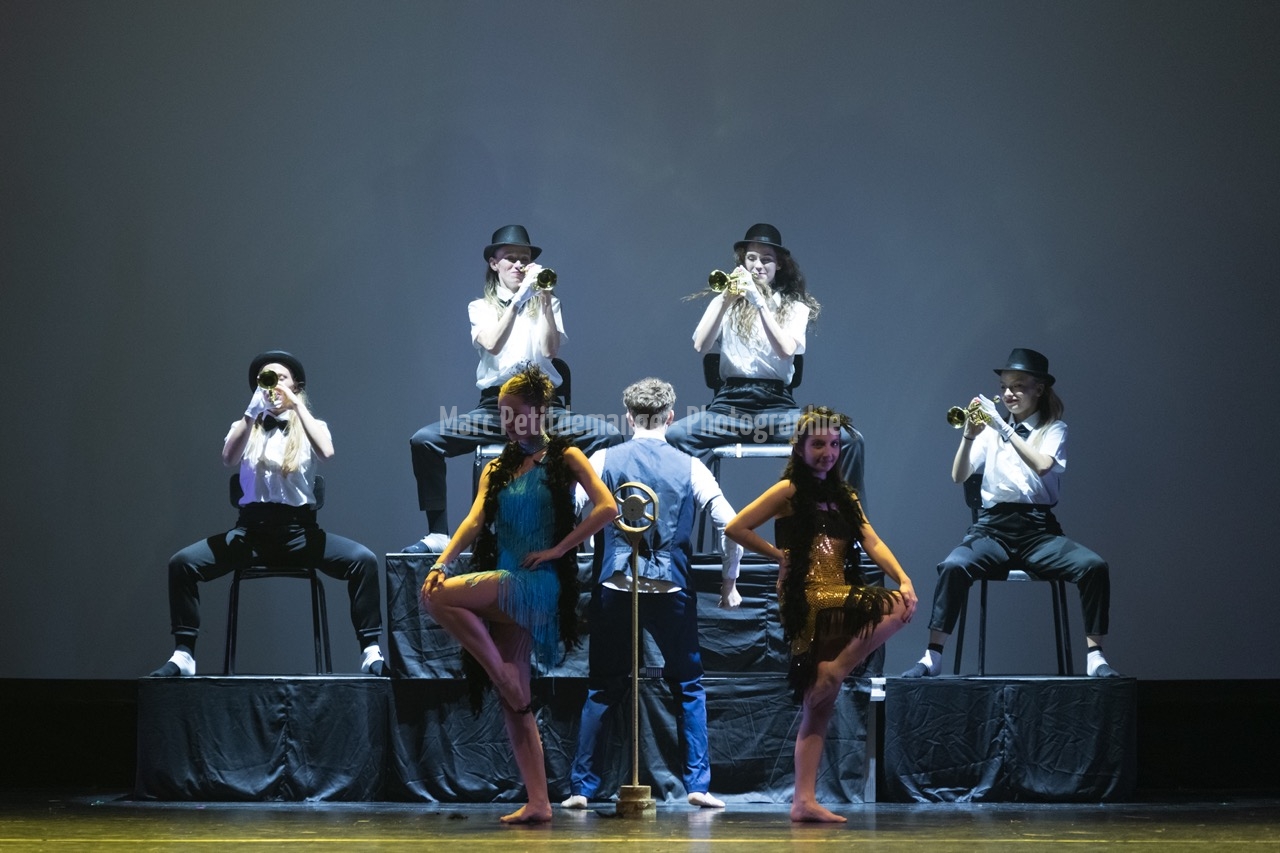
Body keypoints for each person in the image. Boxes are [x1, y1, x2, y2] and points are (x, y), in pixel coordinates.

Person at [419, 365, 616, 824]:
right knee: (516, 702)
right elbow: (474, 521)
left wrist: (559, 549)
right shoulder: (496, 467)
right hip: (506, 576)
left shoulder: (566, 457)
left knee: (438, 599)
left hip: (536, 582)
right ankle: (540, 802)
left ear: (540, 412)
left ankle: (499, 674)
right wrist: (441, 561)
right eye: (503, 414)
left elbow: (607, 507)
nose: (507, 423)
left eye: (515, 414)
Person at [726, 406, 917, 823]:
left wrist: (903, 577)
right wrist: (780, 556)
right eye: (818, 444)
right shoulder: (789, 490)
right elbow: (736, 528)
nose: (828, 453)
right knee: (833, 673)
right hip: (806, 595)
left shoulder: (845, 496)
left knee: (822, 702)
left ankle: (803, 801)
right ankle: (838, 668)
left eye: (833, 445)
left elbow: (871, 541)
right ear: (799, 447)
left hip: (839, 590)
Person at [561, 378, 744, 811]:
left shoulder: (602, 458)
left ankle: (581, 789)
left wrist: (575, 556)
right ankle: (697, 784)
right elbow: (730, 524)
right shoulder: (692, 466)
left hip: (614, 583)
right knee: (688, 685)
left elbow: (569, 511)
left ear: (628, 417)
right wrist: (729, 582)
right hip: (670, 586)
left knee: (602, 686)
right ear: (670, 417)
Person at [150, 350, 387, 678]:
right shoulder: (246, 426)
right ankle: (184, 655)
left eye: (282, 378)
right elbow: (228, 459)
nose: (275, 385)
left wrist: (296, 405)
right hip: (250, 534)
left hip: (300, 534)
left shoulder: (311, 426)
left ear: (296, 386)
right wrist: (251, 413)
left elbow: (327, 452)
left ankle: (370, 653)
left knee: (364, 561)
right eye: (267, 379)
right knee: (182, 564)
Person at [902, 348, 1121, 679]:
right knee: (953, 566)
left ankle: (1095, 657)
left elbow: (1043, 465)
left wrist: (1003, 428)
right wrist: (969, 435)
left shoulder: (1054, 429)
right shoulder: (991, 431)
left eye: (1018, 386)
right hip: (992, 529)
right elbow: (958, 475)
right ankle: (933, 656)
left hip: (1039, 532)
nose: (1008, 394)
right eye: (1004, 386)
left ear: (1039, 389)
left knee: (1094, 566)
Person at [406, 224, 621, 552]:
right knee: (425, 441)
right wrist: (519, 300)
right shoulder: (480, 307)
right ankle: (438, 533)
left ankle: (584, 523)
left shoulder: (550, 303)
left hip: (544, 409)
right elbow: (492, 343)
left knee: (610, 436)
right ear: (494, 263)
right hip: (498, 410)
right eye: (511, 258)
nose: (520, 265)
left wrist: (544, 299)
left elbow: (550, 349)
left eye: (525, 259)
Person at [666, 223, 866, 498]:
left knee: (848, 439)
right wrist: (725, 300)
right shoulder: (725, 303)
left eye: (766, 260)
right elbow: (701, 345)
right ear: (742, 262)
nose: (758, 266)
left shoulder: (794, 308)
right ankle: (683, 520)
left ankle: (847, 521)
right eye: (751, 258)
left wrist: (759, 303)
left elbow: (786, 350)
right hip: (729, 409)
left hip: (777, 409)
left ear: (779, 265)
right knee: (675, 436)